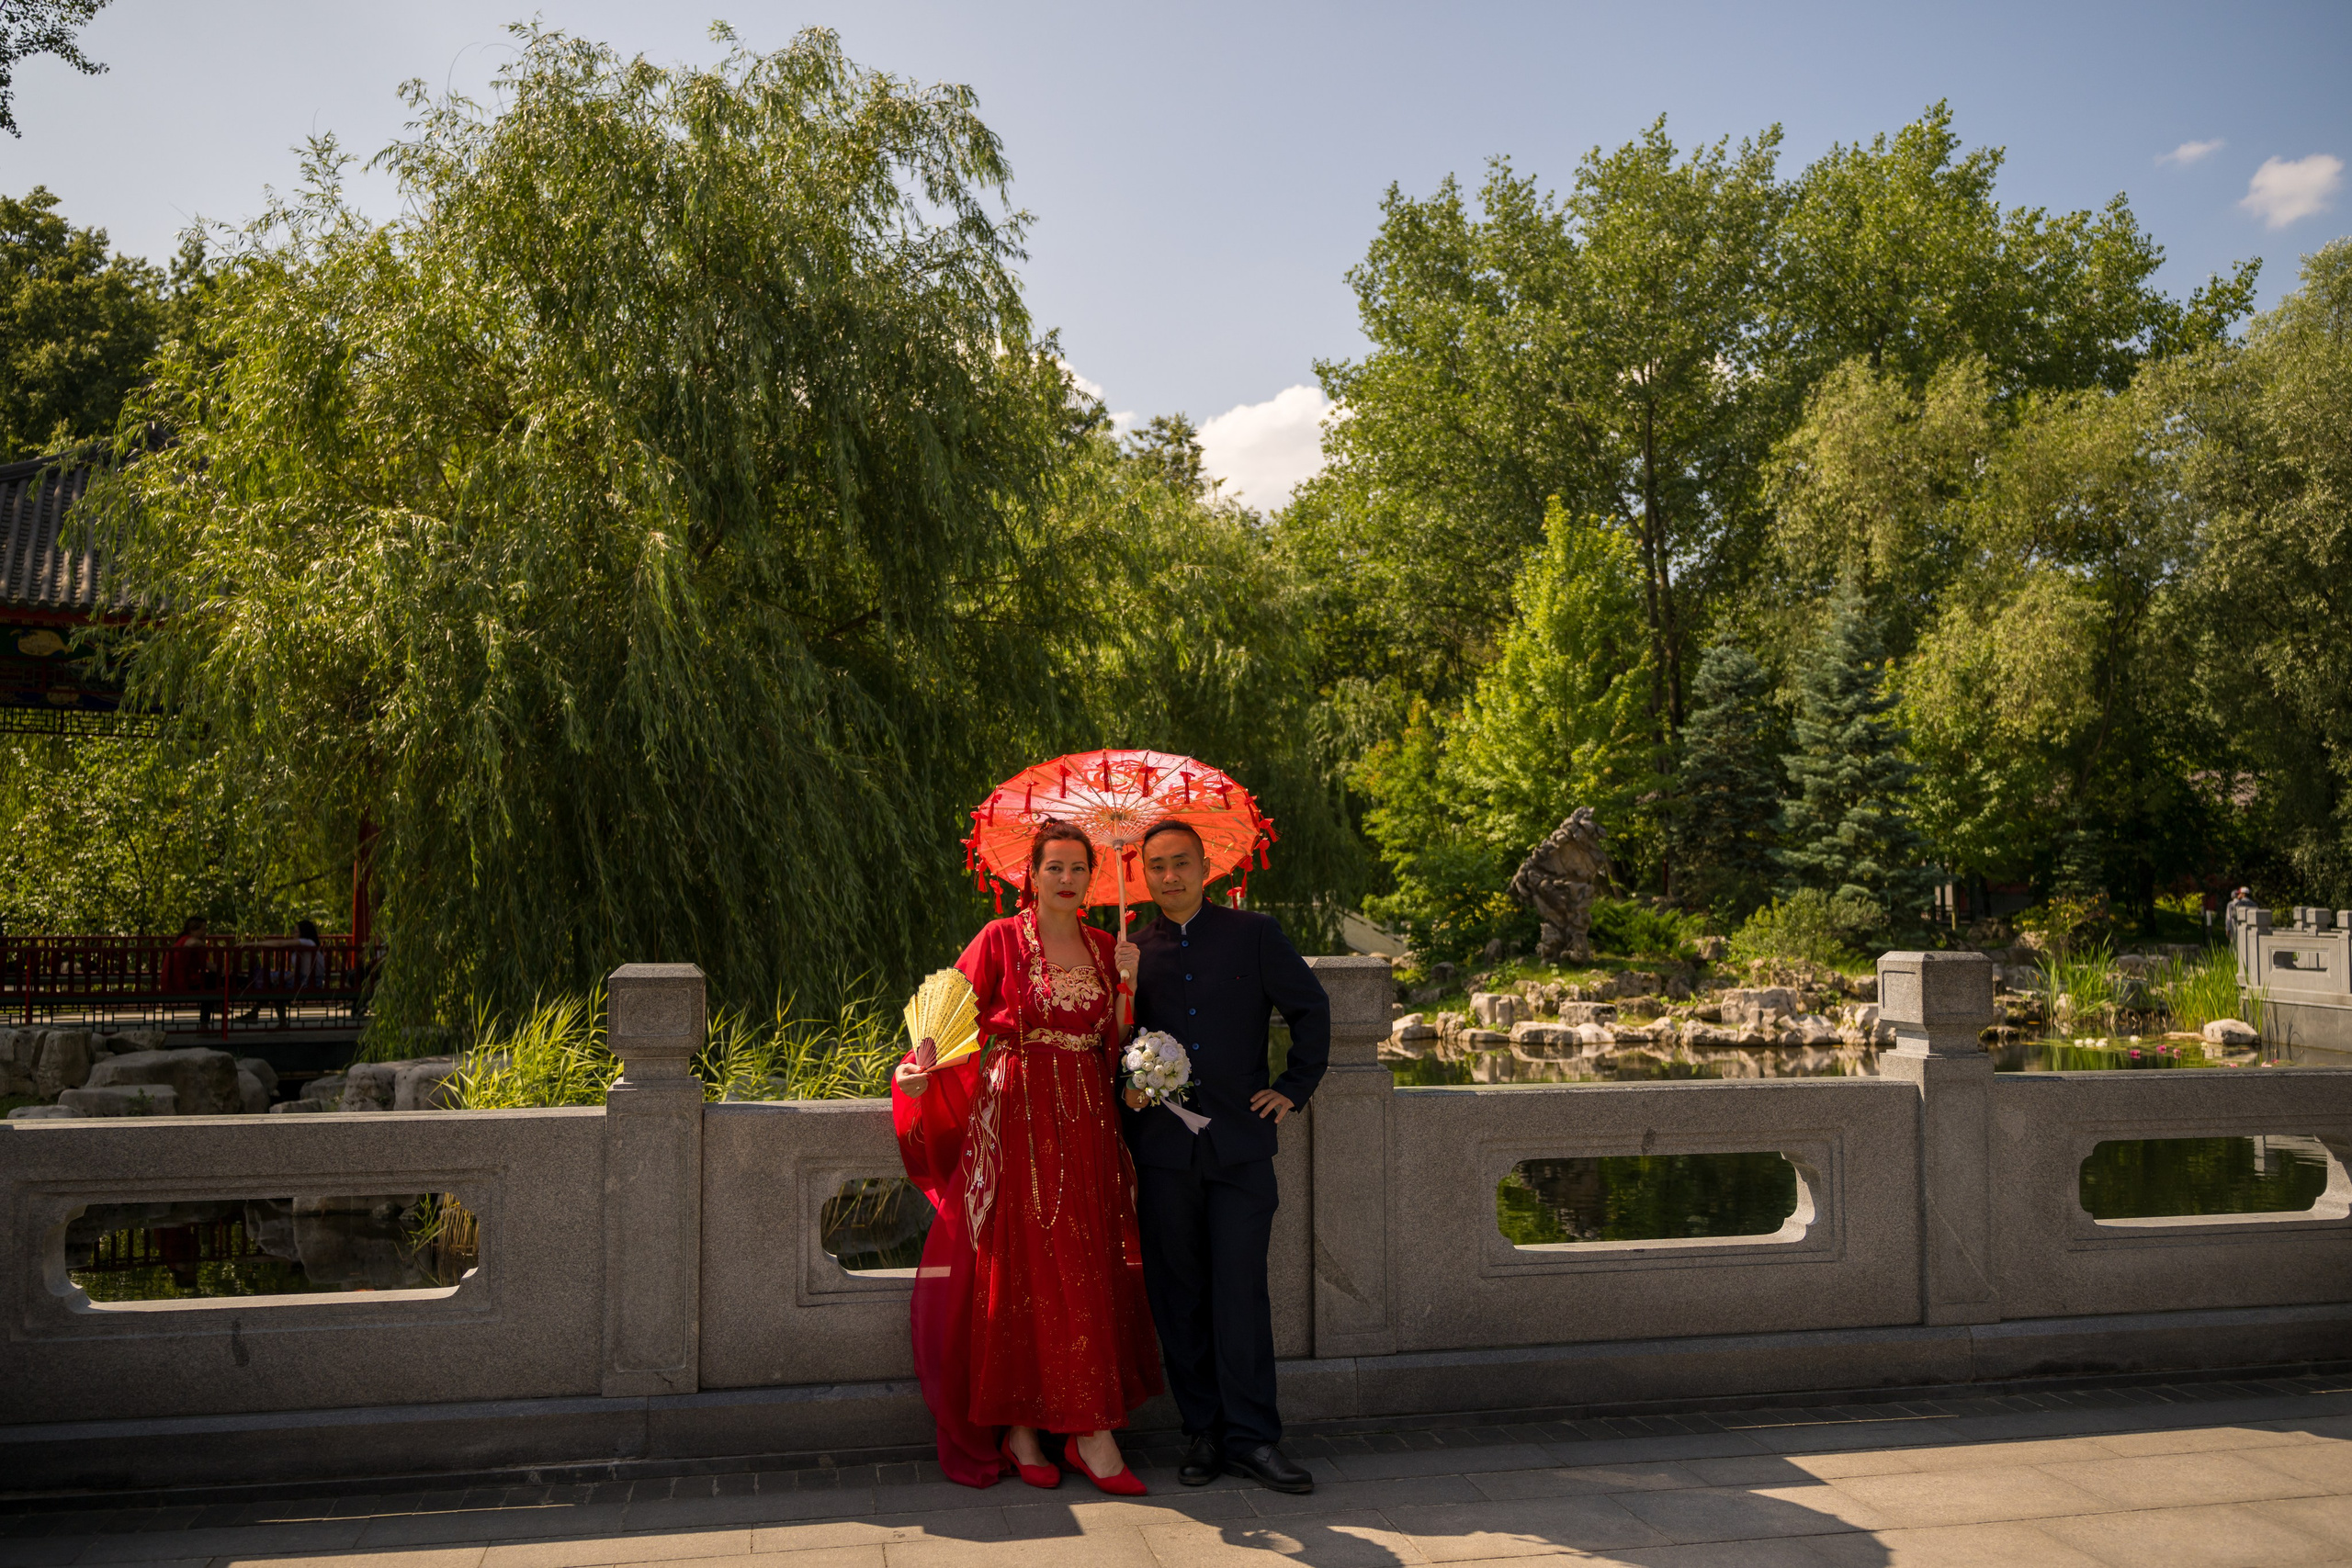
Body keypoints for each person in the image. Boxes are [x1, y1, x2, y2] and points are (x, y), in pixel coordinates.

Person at [890, 820, 1163, 1494]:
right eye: (1055, 868)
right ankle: (1018, 1426)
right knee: (1022, 1268)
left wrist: (1127, 986)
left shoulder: (1108, 947)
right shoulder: (1000, 939)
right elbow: (942, 1021)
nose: (1067, 880)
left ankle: (1090, 1430)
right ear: (1031, 876)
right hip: (1017, 1119)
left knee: (1087, 1265)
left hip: (1090, 1123)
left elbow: (1116, 1042)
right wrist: (914, 1070)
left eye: (1078, 869)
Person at [1116, 818, 1329, 1495]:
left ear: (1206, 866)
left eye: (1182, 862)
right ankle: (1202, 1431)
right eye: (1157, 865)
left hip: (1239, 1147)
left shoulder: (1254, 933)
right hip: (1162, 1151)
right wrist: (1120, 1004)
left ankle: (1255, 1438)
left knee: (1240, 1293)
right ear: (1141, 874)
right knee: (1178, 1296)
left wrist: (1292, 1088)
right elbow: (1108, 1047)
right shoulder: (1129, 951)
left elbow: (1311, 1010)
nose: (1170, 875)